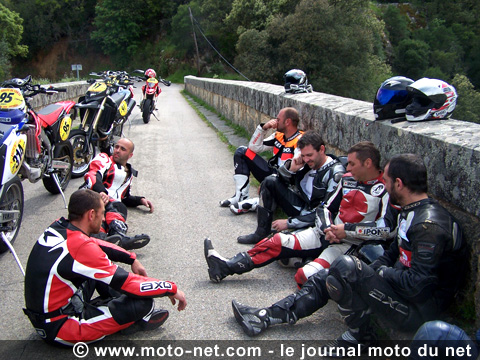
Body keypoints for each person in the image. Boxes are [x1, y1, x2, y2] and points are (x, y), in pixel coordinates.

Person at [231, 154, 466, 358]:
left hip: (419, 310)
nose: (382, 184)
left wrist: (377, 272)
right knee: (329, 273)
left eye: (385, 180)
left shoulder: (429, 226)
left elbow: (419, 285)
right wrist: (374, 269)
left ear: (399, 183)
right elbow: (394, 251)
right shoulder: (411, 211)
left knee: (345, 267)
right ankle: (266, 316)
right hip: (403, 291)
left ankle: (361, 335)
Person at [206, 141, 396, 287]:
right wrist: (327, 227)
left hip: (348, 244)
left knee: (304, 276)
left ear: (368, 163)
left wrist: (346, 231)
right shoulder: (347, 180)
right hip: (326, 232)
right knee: (277, 240)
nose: (348, 167)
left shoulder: (385, 187)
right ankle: (225, 267)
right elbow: (325, 207)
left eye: (352, 164)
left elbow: (386, 229)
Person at [23, 189, 187, 345]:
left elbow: (95, 243)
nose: (103, 220)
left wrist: (131, 258)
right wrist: (170, 288)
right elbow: (129, 283)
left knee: (100, 270)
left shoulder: (59, 227)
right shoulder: (81, 248)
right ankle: (134, 319)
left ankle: (112, 305)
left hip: (48, 315)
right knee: (143, 304)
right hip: (61, 328)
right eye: (102, 214)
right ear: (91, 214)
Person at [237, 130, 346, 244]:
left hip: (317, 219)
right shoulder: (307, 164)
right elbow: (279, 180)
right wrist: (291, 168)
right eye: (303, 155)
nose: (306, 159)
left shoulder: (335, 173)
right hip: (302, 207)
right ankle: (261, 232)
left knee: (281, 249)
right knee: (269, 181)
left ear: (322, 149)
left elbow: (326, 211)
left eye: (309, 155)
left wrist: (289, 223)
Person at [220, 107, 304, 215]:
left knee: (273, 186)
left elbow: (294, 171)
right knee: (242, 151)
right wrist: (263, 128)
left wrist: (269, 182)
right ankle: (241, 196)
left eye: (278, 119)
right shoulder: (279, 136)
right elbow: (254, 147)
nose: (275, 121)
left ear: (287, 122)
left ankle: (257, 202)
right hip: (274, 174)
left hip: (286, 182)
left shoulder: (301, 140)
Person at [81, 138, 153, 250]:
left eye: (123, 149)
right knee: (114, 206)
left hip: (110, 206)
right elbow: (92, 175)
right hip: (91, 196)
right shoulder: (104, 159)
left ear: (130, 155)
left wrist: (140, 200)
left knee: (118, 206)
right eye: (116, 147)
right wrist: (102, 192)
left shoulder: (129, 175)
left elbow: (124, 197)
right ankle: (115, 238)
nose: (117, 150)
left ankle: (107, 239)